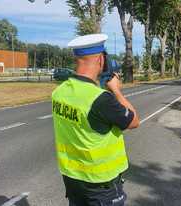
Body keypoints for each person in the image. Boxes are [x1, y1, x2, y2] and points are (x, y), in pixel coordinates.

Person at [52, 34, 140, 206]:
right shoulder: (101, 99)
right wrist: (116, 90)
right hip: (101, 185)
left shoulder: (59, 92)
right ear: (101, 59)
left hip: (72, 179)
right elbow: (134, 121)